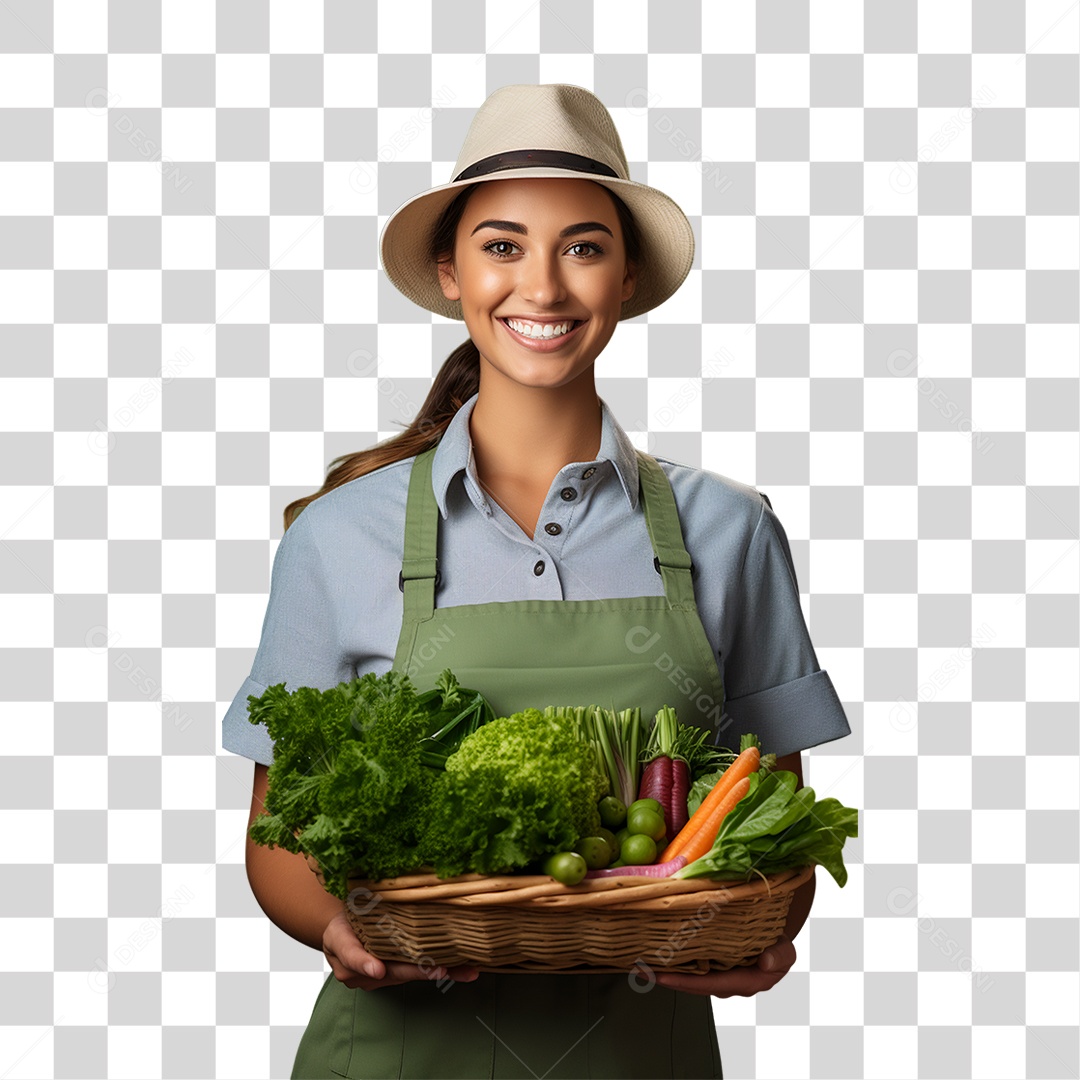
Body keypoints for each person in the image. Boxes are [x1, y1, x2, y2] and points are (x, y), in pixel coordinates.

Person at [222, 83, 852, 1080]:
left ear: (626, 275)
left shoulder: (730, 532)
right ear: (451, 270)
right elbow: (278, 841)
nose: (544, 288)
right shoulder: (340, 534)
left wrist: (756, 930)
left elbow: (769, 816)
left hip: (645, 1055)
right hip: (396, 1056)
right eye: (504, 245)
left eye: (584, 246)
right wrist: (342, 927)